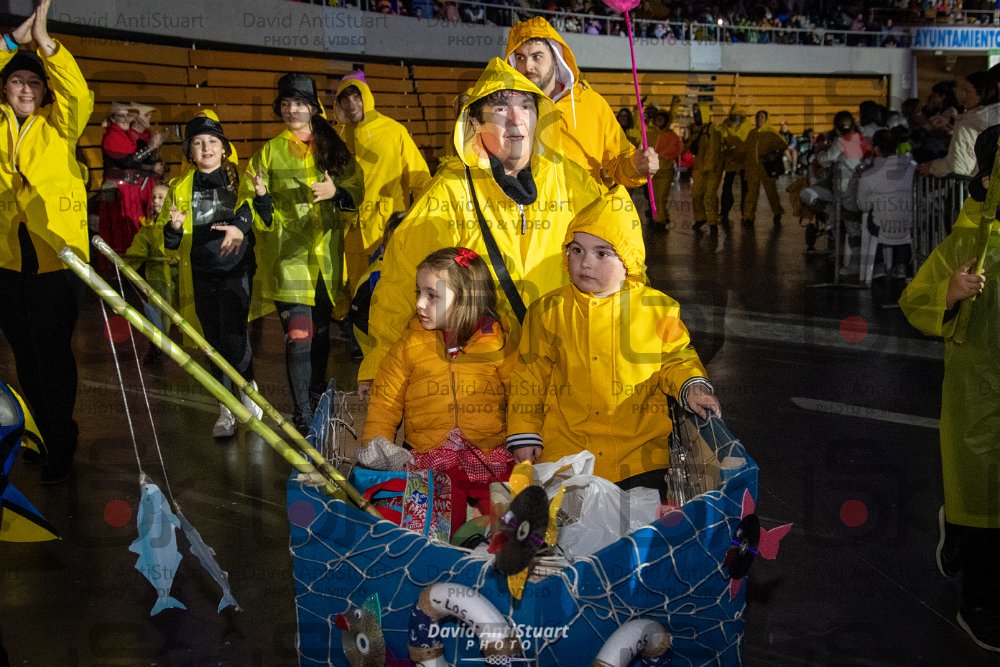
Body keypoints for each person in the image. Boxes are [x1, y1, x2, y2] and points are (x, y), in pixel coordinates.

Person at [358, 58, 601, 400]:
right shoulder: (448, 192)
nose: (516, 119)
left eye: (526, 106)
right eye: (500, 108)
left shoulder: (573, 182)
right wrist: (380, 364)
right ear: (475, 121)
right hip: (484, 381)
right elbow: (402, 281)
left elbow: (621, 262)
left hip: (566, 372)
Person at [506, 188, 720, 489]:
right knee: (567, 519)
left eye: (602, 253)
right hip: (567, 455)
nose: (585, 263)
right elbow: (529, 375)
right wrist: (524, 431)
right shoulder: (547, 311)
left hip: (639, 457)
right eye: (576, 250)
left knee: (636, 519)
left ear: (628, 260)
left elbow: (676, 358)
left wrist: (692, 384)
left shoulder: (656, 309)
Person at [899, 124, 1000, 653]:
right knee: (982, 494)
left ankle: (957, 531)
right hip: (979, 396)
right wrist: (950, 292)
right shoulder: (969, 243)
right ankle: (978, 602)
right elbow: (915, 300)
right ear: (987, 180)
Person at [0, 0, 94, 484]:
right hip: (6, 263)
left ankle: (61, 440)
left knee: (53, 356)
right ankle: (41, 430)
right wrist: (11, 42)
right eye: (17, 81)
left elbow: (76, 92)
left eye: (34, 83)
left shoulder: (60, 127)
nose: (25, 89)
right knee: (25, 357)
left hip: (57, 262)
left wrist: (46, 45)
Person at [243, 73, 364, 432]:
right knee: (299, 338)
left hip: (326, 263)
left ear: (312, 108)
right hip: (289, 261)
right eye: (286, 104)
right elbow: (251, 205)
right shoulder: (269, 153)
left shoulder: (334, 148)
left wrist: (336, 193)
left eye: (299, 103)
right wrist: (261, 200)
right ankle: (303, 413)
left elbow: (357, 189)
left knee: (321, 337)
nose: (292, 110)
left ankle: (316, 397)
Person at [358, 247, 514, 485]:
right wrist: (376, 449)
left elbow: (519, 397)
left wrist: (523, 438)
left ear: (466, 299)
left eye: (432, 295)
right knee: (432, 499)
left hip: (488, 457)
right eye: (419, 293)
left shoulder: (497, 343)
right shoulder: (409, 345)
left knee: (501, 499)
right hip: (427, 456)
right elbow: (385, 403)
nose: (419, 303)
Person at [163, 115, 265, 438]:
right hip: (200, 274)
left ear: (224, 149)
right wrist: (173, 228)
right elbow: (167, 244)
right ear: (190, 153)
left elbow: (260, 216)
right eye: (198, 143)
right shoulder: (179, 188)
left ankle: (248, 392)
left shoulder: (240, 181)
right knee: (213, 343)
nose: (206, 148)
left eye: (212, 142)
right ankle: (225, 409)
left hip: (236, 271)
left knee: (234, 338)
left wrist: (255, 205)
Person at [504, 17, 658, 189]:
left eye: (536, 56)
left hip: (587, 205)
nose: (528, 66)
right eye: (520, 58)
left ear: (555, 56)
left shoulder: (592, 104)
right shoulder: (505, 111)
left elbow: (617, 161)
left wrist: (636, 165)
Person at [332, 70, 431, 304]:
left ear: (366, 97)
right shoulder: (336, 137)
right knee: (357, 293)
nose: (352, 104)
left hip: (387, 230)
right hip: (351, 233)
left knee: (391, 292)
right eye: (345, 99)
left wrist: (420, 220)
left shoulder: (394, 132)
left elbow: (420, 179)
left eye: (357, 97)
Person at [98, 101, 167, 266]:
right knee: (119, 228)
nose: (125, 119)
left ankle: (135, 264)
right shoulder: (112, 136)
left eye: (127, 116)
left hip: (129, 190)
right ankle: (119, 268)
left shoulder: (128, 137)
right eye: (121, 116)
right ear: (113, 118)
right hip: (117, 190)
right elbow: (127, 162)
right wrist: (150, 147)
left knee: (133, 226)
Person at [124, 182, 178, 365]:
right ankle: (157, 349)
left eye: (161, 197)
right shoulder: (147, 229)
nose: (156, 201)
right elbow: (136, 252)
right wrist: (124, 265)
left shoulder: (179, 226)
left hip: (179, 280)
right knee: (158, 317)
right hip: (157, 281)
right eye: (154, 197)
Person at [856, 129, 916, 280]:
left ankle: (878, 264)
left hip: (881, 228)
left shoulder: (868, 175)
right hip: (909, 225)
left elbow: (863, 206)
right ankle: (901, 264)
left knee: (874, 216)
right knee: (900, 214)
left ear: (876, 149)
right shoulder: (911, 168)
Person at [920, 71, 1000, 178]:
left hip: (977, 183)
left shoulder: (966, 123)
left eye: (967, 91)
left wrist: (932, 167)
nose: (963, 96)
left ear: (982, 93)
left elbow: (959, 165)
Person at [741, 110, 787, 227]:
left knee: (771, 192)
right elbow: (746, 148)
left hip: (766, 167)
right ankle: (749, 217)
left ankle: (777, 211)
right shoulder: (752, 133)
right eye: (758, 117)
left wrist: (774, 153)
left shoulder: (771, 132)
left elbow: (783, 143)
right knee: (751, 194)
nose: (759, 119)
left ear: (766, 119)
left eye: (762, 117)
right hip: (753, 168)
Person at [687, 102, 725, 233]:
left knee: (710, 196)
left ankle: (713, 222)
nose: (695, 114)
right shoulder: (694, 129)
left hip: (713, 169)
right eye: (694, 111)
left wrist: (707, 168)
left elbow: (713, 150)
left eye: (698, 111)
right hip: (700, 168)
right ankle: (700, 218)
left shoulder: (713, 129)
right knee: (696, 195)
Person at [720, 105, 751, 227]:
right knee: (727, 186)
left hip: (743, 160)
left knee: (745, 187)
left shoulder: (747, 126)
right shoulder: (725, 125)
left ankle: (746, 211)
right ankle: (725, 210)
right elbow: (722, 140)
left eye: (738, 115)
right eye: (734, 115)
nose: (736, 117)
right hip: (731, 160)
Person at [651, 109, 683, 228]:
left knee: (661, 197)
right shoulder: (650, 133)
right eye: (658, 118)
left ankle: (660, 221)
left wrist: (667, 156)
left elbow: (679, 149)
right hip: (652, 171)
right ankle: (663, 216)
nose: (659, 121)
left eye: (662, 118)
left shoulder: (671, 135)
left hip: (666, 170)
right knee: (655, 197)